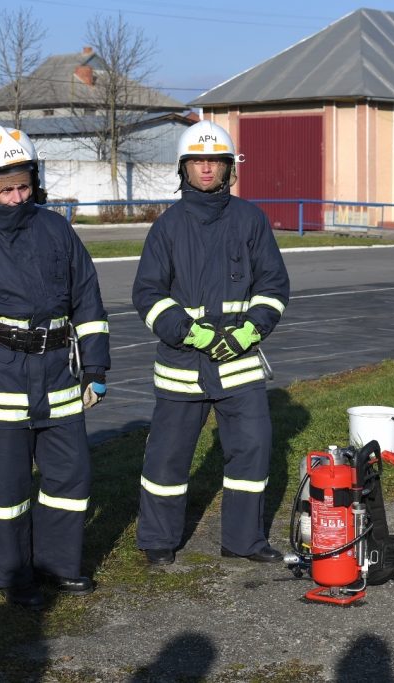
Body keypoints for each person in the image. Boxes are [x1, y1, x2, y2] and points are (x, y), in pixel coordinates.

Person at [0, 125, 110, 611]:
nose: (17, 197)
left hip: (59, 378)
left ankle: (59, 565)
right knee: (6, 491)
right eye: (5, 189)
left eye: (24, 185)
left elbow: (88, 300)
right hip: (0, 383)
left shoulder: (57, 229)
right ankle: (9, 575)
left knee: (69, 480)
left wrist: (95, 368)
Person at [132, 120, 290, 566]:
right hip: (183, 363)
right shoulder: (167, 226)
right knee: (168, 457)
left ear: (229, 168)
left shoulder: (250, 220)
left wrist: (249, 331)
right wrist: (191, 332)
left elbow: (273, 286)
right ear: (184, 167)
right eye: (199, 161)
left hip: (238, 363)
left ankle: (244, 540)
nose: (207, 169)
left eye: (215, 161)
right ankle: (158, 541)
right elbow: (147, 294)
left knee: (253, 448)